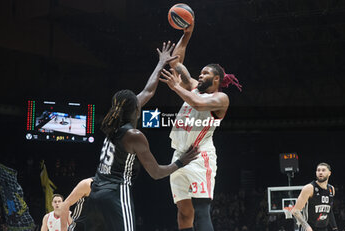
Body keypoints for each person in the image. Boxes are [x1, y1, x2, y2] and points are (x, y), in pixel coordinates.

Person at [59, 41, 200, 231]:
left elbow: (148, 91)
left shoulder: (114, 122)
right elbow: (156, 173)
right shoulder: (134, 135)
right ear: (135, 110)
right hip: (116, 193)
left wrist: (161, 63)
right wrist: (181, 162)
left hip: (95, 193)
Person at [159, 21, 242, 231]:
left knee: (202, 210)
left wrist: (177, 86)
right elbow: (176, 62)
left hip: (199, 156)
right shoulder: (194, 87)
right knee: (184, 212)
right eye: (201, 72)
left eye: (205, 73)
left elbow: (198, 104)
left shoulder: (221, 98)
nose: (200, 75)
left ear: (216, 78)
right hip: (179, 154)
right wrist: (187, 34)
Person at [291, 163, 338, 231]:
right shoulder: (309, 188)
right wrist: (307, 227)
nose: (320, 172)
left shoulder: (331, 189)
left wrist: (334, 227)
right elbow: (295, 211)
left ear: (329, 173)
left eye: (323, 170)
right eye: (318, 170)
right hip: (309, 227)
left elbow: (329, 210)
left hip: (324, 228)